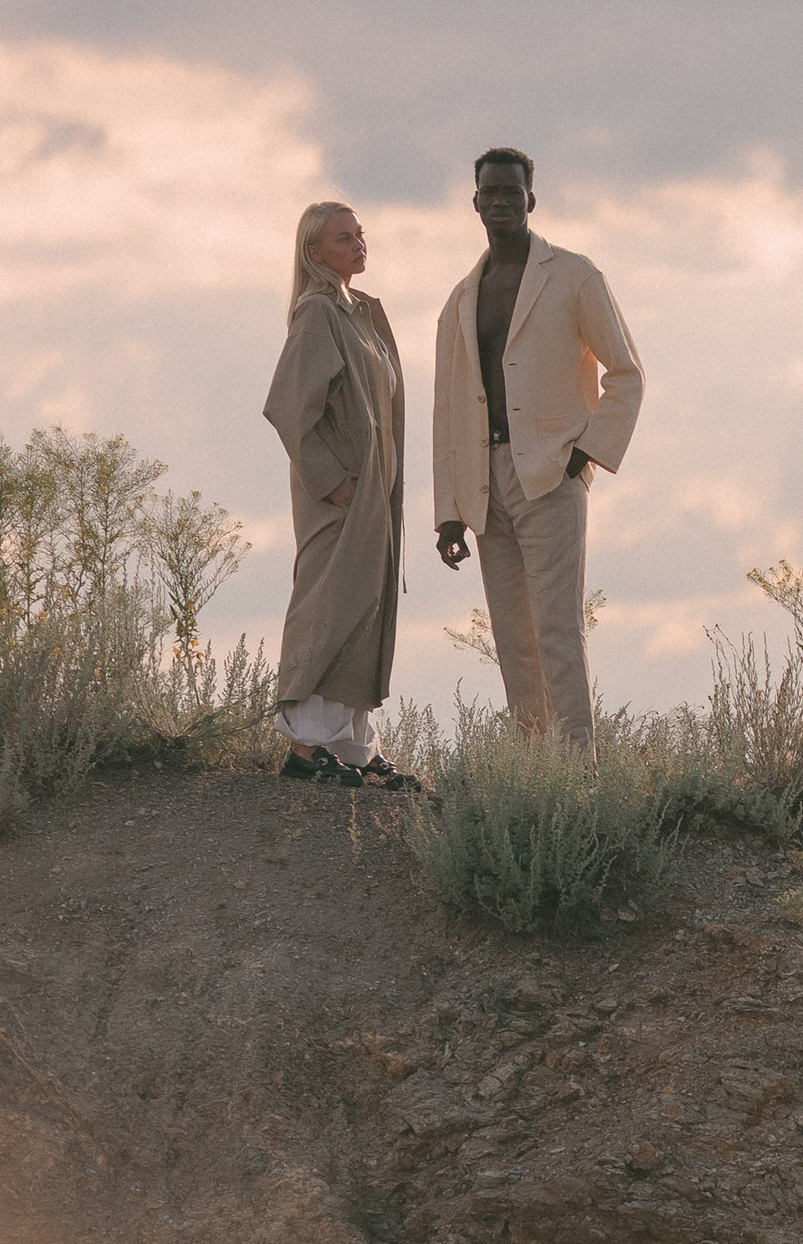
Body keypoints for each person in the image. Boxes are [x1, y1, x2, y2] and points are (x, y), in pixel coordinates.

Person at [431, 149, 645, 754]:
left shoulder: (574, 275)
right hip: (483, 482)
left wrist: (587, 453)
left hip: (551, 473)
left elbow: (627, 373)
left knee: (557, 629)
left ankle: (578, 770)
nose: (500, 201)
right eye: (489, 192)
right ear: (474, 202)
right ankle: (531, 770)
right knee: (512, 638)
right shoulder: (459, 299)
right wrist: (448, 506)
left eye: (511, 191)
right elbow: (448, 408)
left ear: (532, 199)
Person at [263, 201, 417, 789]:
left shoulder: (361, 314)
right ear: (314, 252)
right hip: (340, 496)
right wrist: (335, 482)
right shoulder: (317, 315)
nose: (358, 245)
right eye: (343, 238)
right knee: (326, 606)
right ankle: (306, 746)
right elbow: (288, 410)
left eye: (360, 235)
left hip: (373, 493)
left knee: (363, 606)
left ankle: (351, 745)